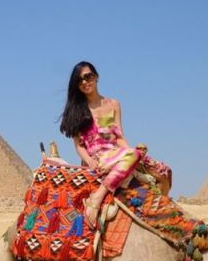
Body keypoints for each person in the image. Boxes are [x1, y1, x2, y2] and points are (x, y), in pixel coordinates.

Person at [59, 61, 169, 228]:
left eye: (88, 77)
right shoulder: (77, 110)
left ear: (96, 77)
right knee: (133, 156)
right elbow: (79, 146)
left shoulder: (114, 104)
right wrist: (89, 161)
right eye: (79, 80)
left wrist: (132, 152)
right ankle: (98, 197)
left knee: (163, 170)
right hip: (96, 158)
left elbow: (118, 136)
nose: (84, 82)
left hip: (116, 154)